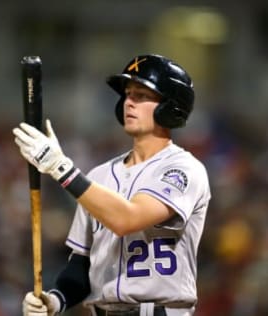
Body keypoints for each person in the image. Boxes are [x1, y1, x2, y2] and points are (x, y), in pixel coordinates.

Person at [13, 54, 211, 316]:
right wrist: (56, 299)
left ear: (171, 106)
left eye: (141, 95)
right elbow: (83, 264)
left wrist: (61, 168)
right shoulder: (99, 177)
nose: (129, 102)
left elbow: (127, 219)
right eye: (128, 94)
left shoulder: (183, 170)